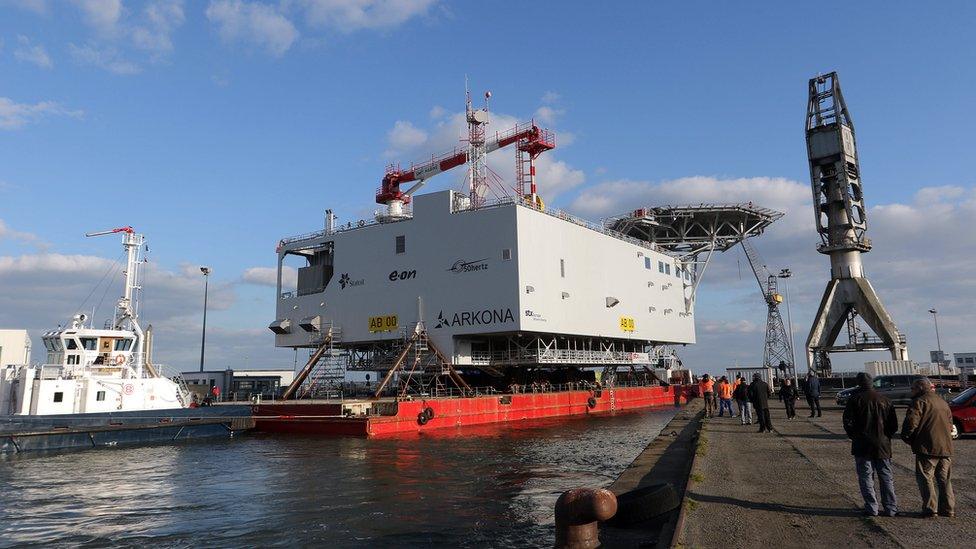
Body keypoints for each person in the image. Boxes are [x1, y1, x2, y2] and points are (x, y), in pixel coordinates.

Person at [842, 372, 898, 517]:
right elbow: (893, 424)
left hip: (862, 445)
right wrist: (886, 436)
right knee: (886, 476)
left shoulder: (855, 400)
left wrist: (854, 435)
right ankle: (891, 508)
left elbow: (847, 421)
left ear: (859, 383)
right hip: (883, 445)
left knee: (866, 476)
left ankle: (872, 507)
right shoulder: (885, 399)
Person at [900, 377, 955, 518]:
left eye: (913, 388)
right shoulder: (943, 402)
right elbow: (950, 424)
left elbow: (911, 423)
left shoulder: (919, 402)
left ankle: (931, 509)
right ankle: (948, 509)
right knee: (944, 480)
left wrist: (908, 438)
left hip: (927, 447)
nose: (911, 391)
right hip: (946, 447)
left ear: (920, 388)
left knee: (926, 478)